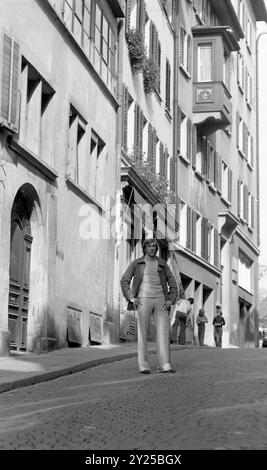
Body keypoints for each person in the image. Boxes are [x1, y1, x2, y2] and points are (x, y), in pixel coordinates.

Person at [120, 238, 178, 374]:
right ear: (145, 248)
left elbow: (173, 283)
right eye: (149, 246)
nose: (152, 248)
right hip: (143, 300)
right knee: (142, 333)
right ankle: (144, 366)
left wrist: (171, 300)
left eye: (154, 246)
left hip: (161, 300)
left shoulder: (162, 264)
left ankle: (164, 365)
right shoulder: (137, 263)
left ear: (156, 249)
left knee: (163, 333)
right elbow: (124, 281)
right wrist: (131, 298)